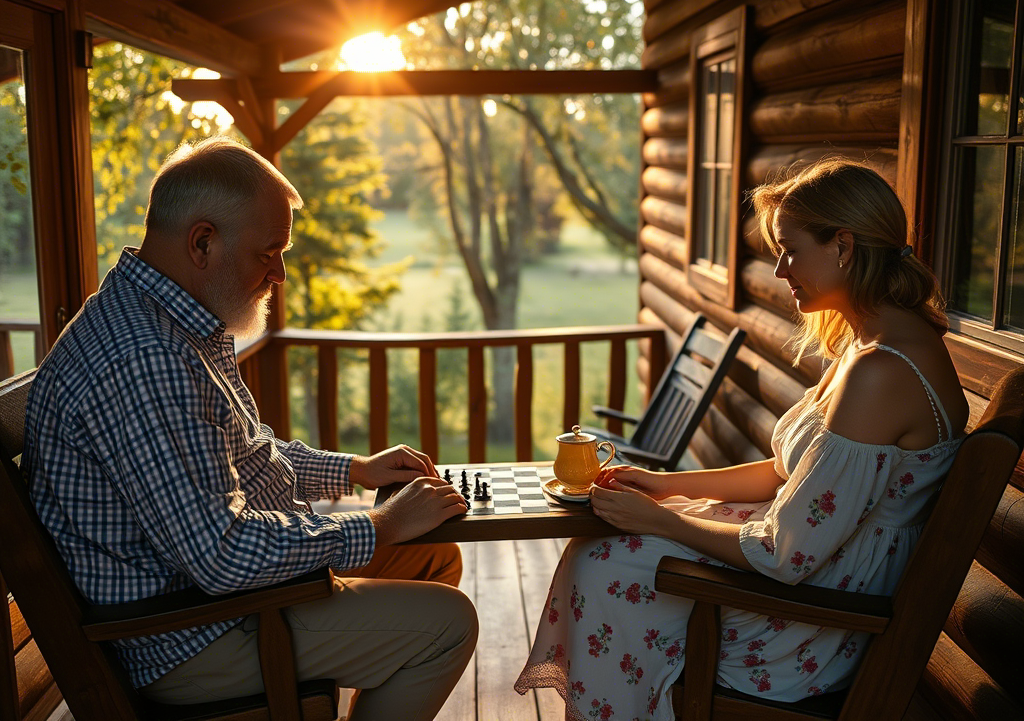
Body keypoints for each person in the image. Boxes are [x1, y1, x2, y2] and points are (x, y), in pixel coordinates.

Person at [23, 136, 476, 721]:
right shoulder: (144, 356)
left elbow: (245, 456)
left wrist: (354, 471)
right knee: (447, 624)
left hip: (230, 599)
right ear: (203, 241)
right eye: (269, 252)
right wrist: (379, 523)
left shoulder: (176, 325)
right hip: (188, 635)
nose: (280, 274)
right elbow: (221, 553)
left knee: (432, 557)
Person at [514, 158, 969, 719]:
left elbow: (786, 553)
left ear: (843, 246)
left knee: (604, 567)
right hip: (818, 572)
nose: (780, 269)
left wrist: (661, 519)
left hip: (813, 621)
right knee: (607, 549)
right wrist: (661, 485)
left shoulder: (883, 369)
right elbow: (785, 474)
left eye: (790, 249)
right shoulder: (871, 343)